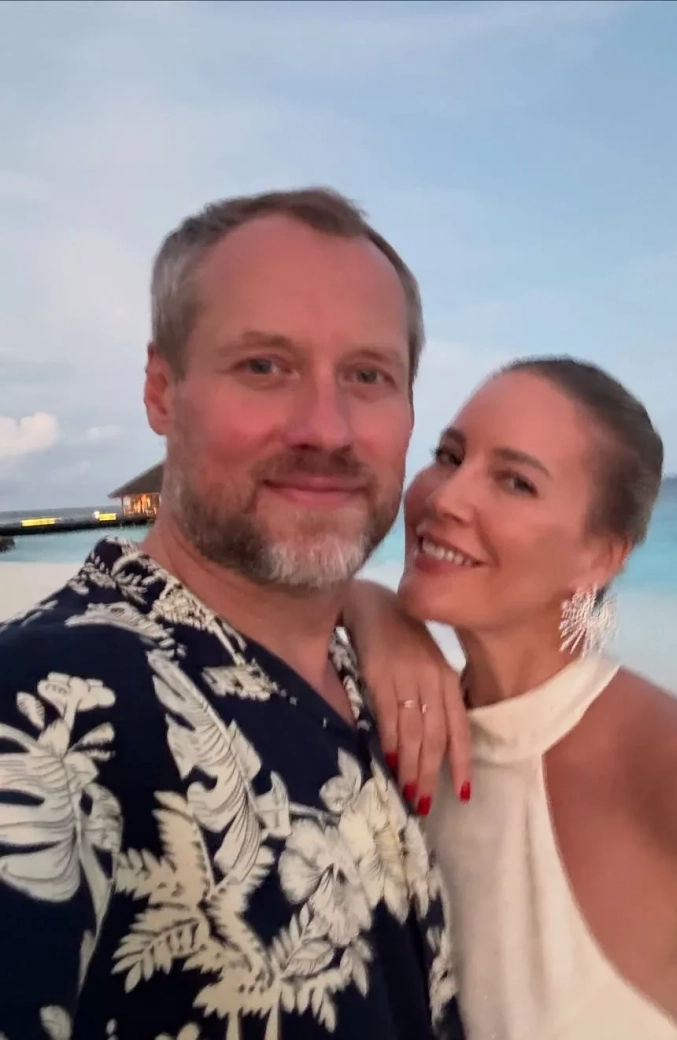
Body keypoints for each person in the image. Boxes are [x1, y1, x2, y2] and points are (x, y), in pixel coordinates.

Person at [0, 189, 467, 1040]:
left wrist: (378, 613)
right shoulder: (51, 704)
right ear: (162, 391)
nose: (326, 430)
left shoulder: (364, 679)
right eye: (264, 366)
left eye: (368, 375)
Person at [343, 356, 677, 1040]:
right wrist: (365, 605)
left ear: (600, 557)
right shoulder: (405, 710)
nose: (446, 498)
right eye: (449, 456)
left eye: (516, 482)